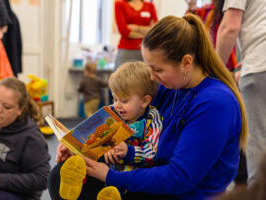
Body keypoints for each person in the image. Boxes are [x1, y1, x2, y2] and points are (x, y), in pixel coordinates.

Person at [49, 13, 248, 200]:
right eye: (148, 66)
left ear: (186, 63)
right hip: (149, 174)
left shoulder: (214, 103)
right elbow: (124, 110)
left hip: (180, 192)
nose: (152, 77)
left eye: (157, 69)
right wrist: (79, 146)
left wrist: (110, 176)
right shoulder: (171, 86)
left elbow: (179, 178)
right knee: (60, 175)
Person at [57, 61, 163, 200]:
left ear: (144, 101)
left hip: (129, 173)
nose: (117, 105)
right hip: (105, 164)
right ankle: (75, 179)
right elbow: (92, 133)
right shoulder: (113, 112)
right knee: (82, 156)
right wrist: (73, 143)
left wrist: (128, 151)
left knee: (117, 185)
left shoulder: (152, 117)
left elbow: (152, 153)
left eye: (124, 100)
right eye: (114, 98)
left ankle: (111, 195)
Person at [186, 0, 248, 186]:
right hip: (222, 71)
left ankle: (242, 175)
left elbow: (230, 29)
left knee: (241, 126)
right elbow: (191, 27)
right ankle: (240, 175)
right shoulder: (204, 10)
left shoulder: (222, 10)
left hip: (225, 71)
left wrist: (215, 69)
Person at [0, 77, 50, 200]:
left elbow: (42, 179)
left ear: (20, 110)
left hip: (14, 193)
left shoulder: (31, 138)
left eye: (7, 107)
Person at [215, 0, 266, 185]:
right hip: (258, 62)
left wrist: (215, 70)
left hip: (260, 66)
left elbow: (230, 27)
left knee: (258, 142)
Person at [185, 0, 238, 72]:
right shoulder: (205, 9)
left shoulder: (227, 10)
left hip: (224, 58)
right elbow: (190, 24)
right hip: (207, 57)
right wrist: (192, 8)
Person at [114, 0, 158, 70]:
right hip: (127, 50)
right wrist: (147, 32)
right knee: (122, 79)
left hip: (147, 50)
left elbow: (155, 29)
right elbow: (124, 31)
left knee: (145, 79)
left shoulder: (150, 5)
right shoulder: (120, 4)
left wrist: (136, 28)